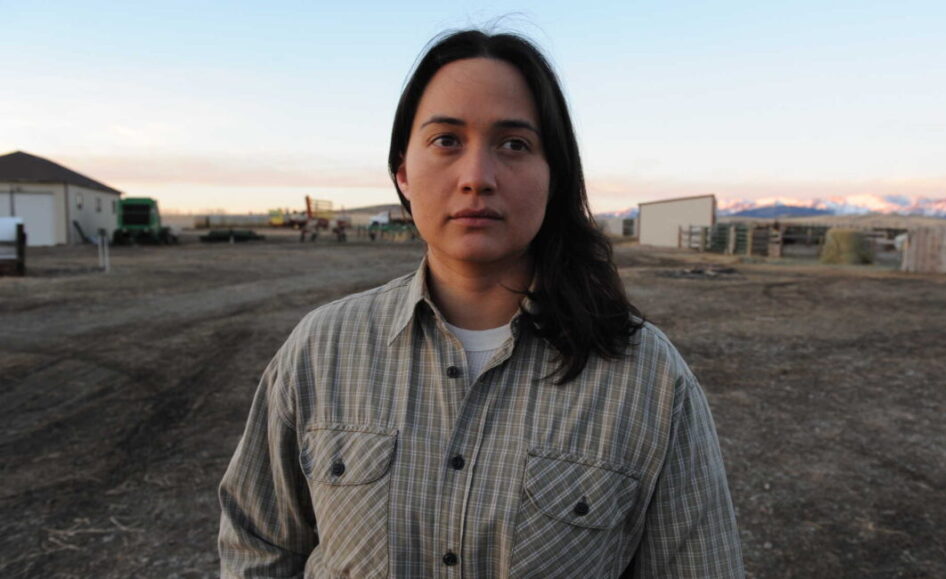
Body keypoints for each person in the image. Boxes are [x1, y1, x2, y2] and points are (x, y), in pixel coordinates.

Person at [219, 29, 744, 578]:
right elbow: (258, 544)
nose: (477, 178)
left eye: (514, 144)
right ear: (402, 171)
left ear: (554, 175)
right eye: (446, 140)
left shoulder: (649, 379)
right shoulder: (320, 348)